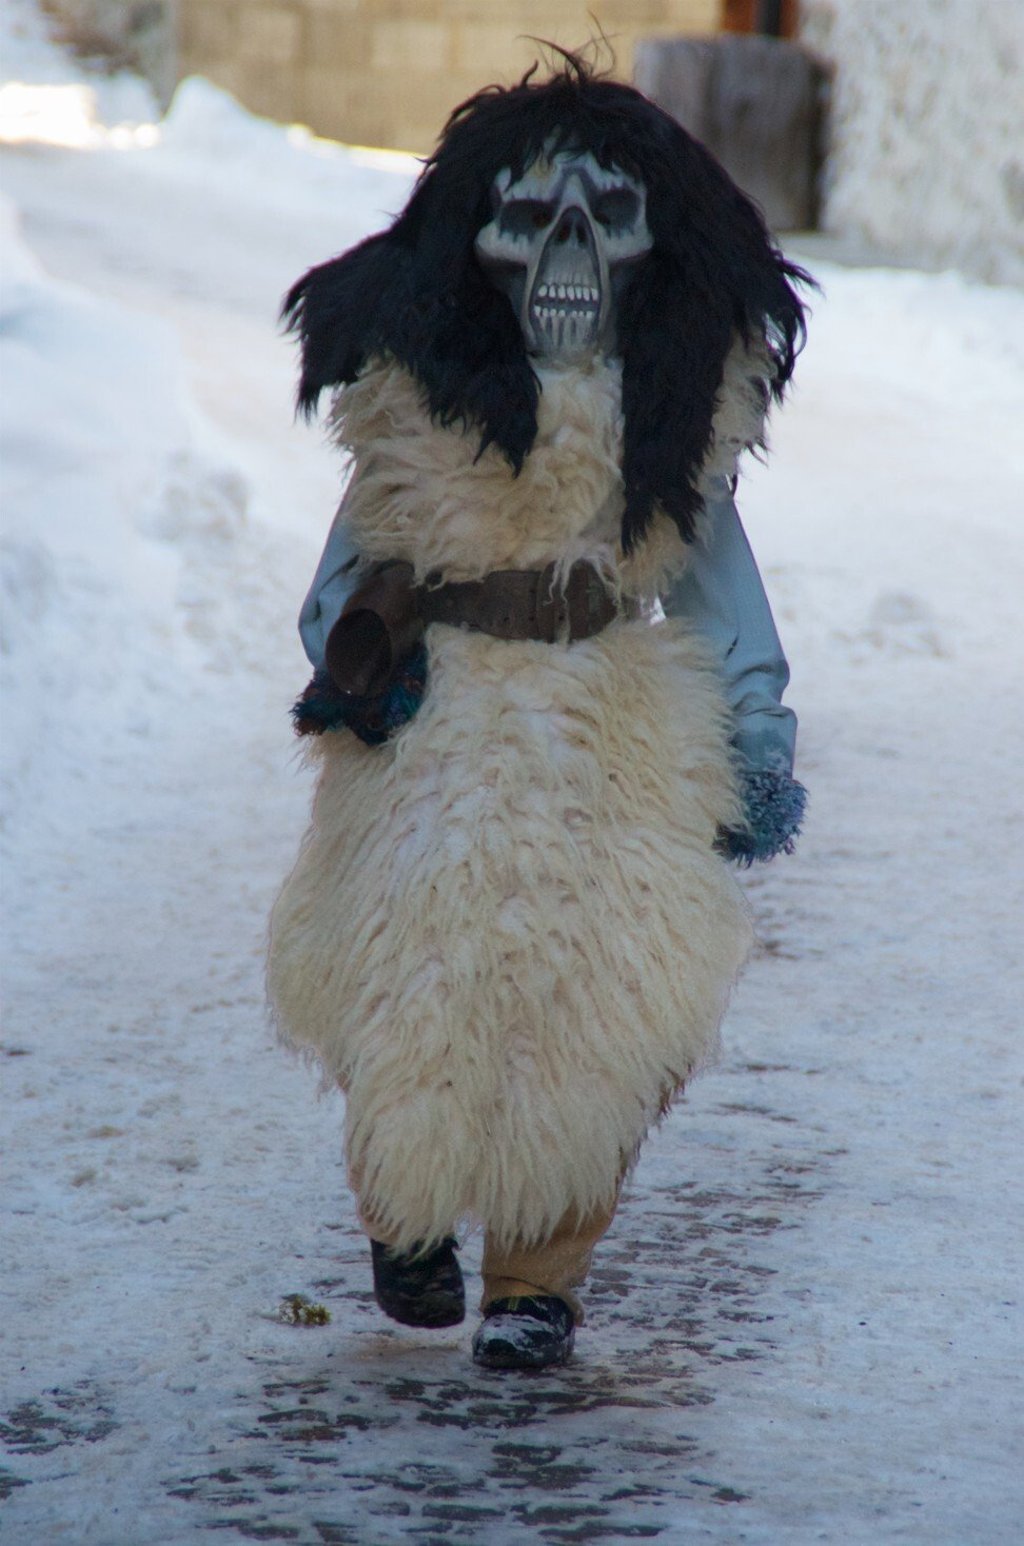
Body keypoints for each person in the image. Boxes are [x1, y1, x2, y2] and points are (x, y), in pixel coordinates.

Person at [268, 56, 808, 1370]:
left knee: (601, 1002)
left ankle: (537, 1277)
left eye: (604, 217)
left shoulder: (668, 430)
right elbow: (345, 574)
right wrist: (357, 667)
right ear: (472, 243)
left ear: (656, 248)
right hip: (440, 719)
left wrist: (750, 739)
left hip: (612, 733)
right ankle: (406, 1212)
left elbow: (724, 598)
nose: (568, 250)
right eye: (529, 217)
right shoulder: (418, 402)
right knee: (408, 974)